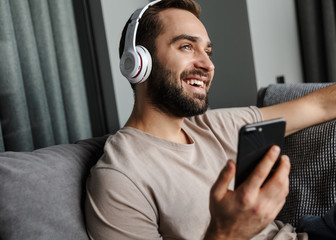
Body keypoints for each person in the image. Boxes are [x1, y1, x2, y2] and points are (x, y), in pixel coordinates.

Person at [85, 0, 336, 239]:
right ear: (139, 62)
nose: (208, 64)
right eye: (186, 46)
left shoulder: (211, 126)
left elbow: (320, 105)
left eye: (208, 51)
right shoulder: (119, 178)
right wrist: (228, 233)